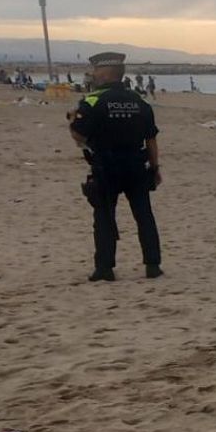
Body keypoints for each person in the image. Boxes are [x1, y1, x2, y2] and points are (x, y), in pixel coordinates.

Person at [68, 52, 162, 281]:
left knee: (104, 216)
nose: (93, 74)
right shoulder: (139, 101)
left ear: (105, 72)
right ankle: (152, 265)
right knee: (144, 215)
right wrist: (155, 167)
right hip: (136, 165)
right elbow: (151, 138)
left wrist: (72, 121)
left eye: (96, 70)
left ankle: (104, 268)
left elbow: (79, 134)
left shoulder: (92, 101)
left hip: (106, 166)